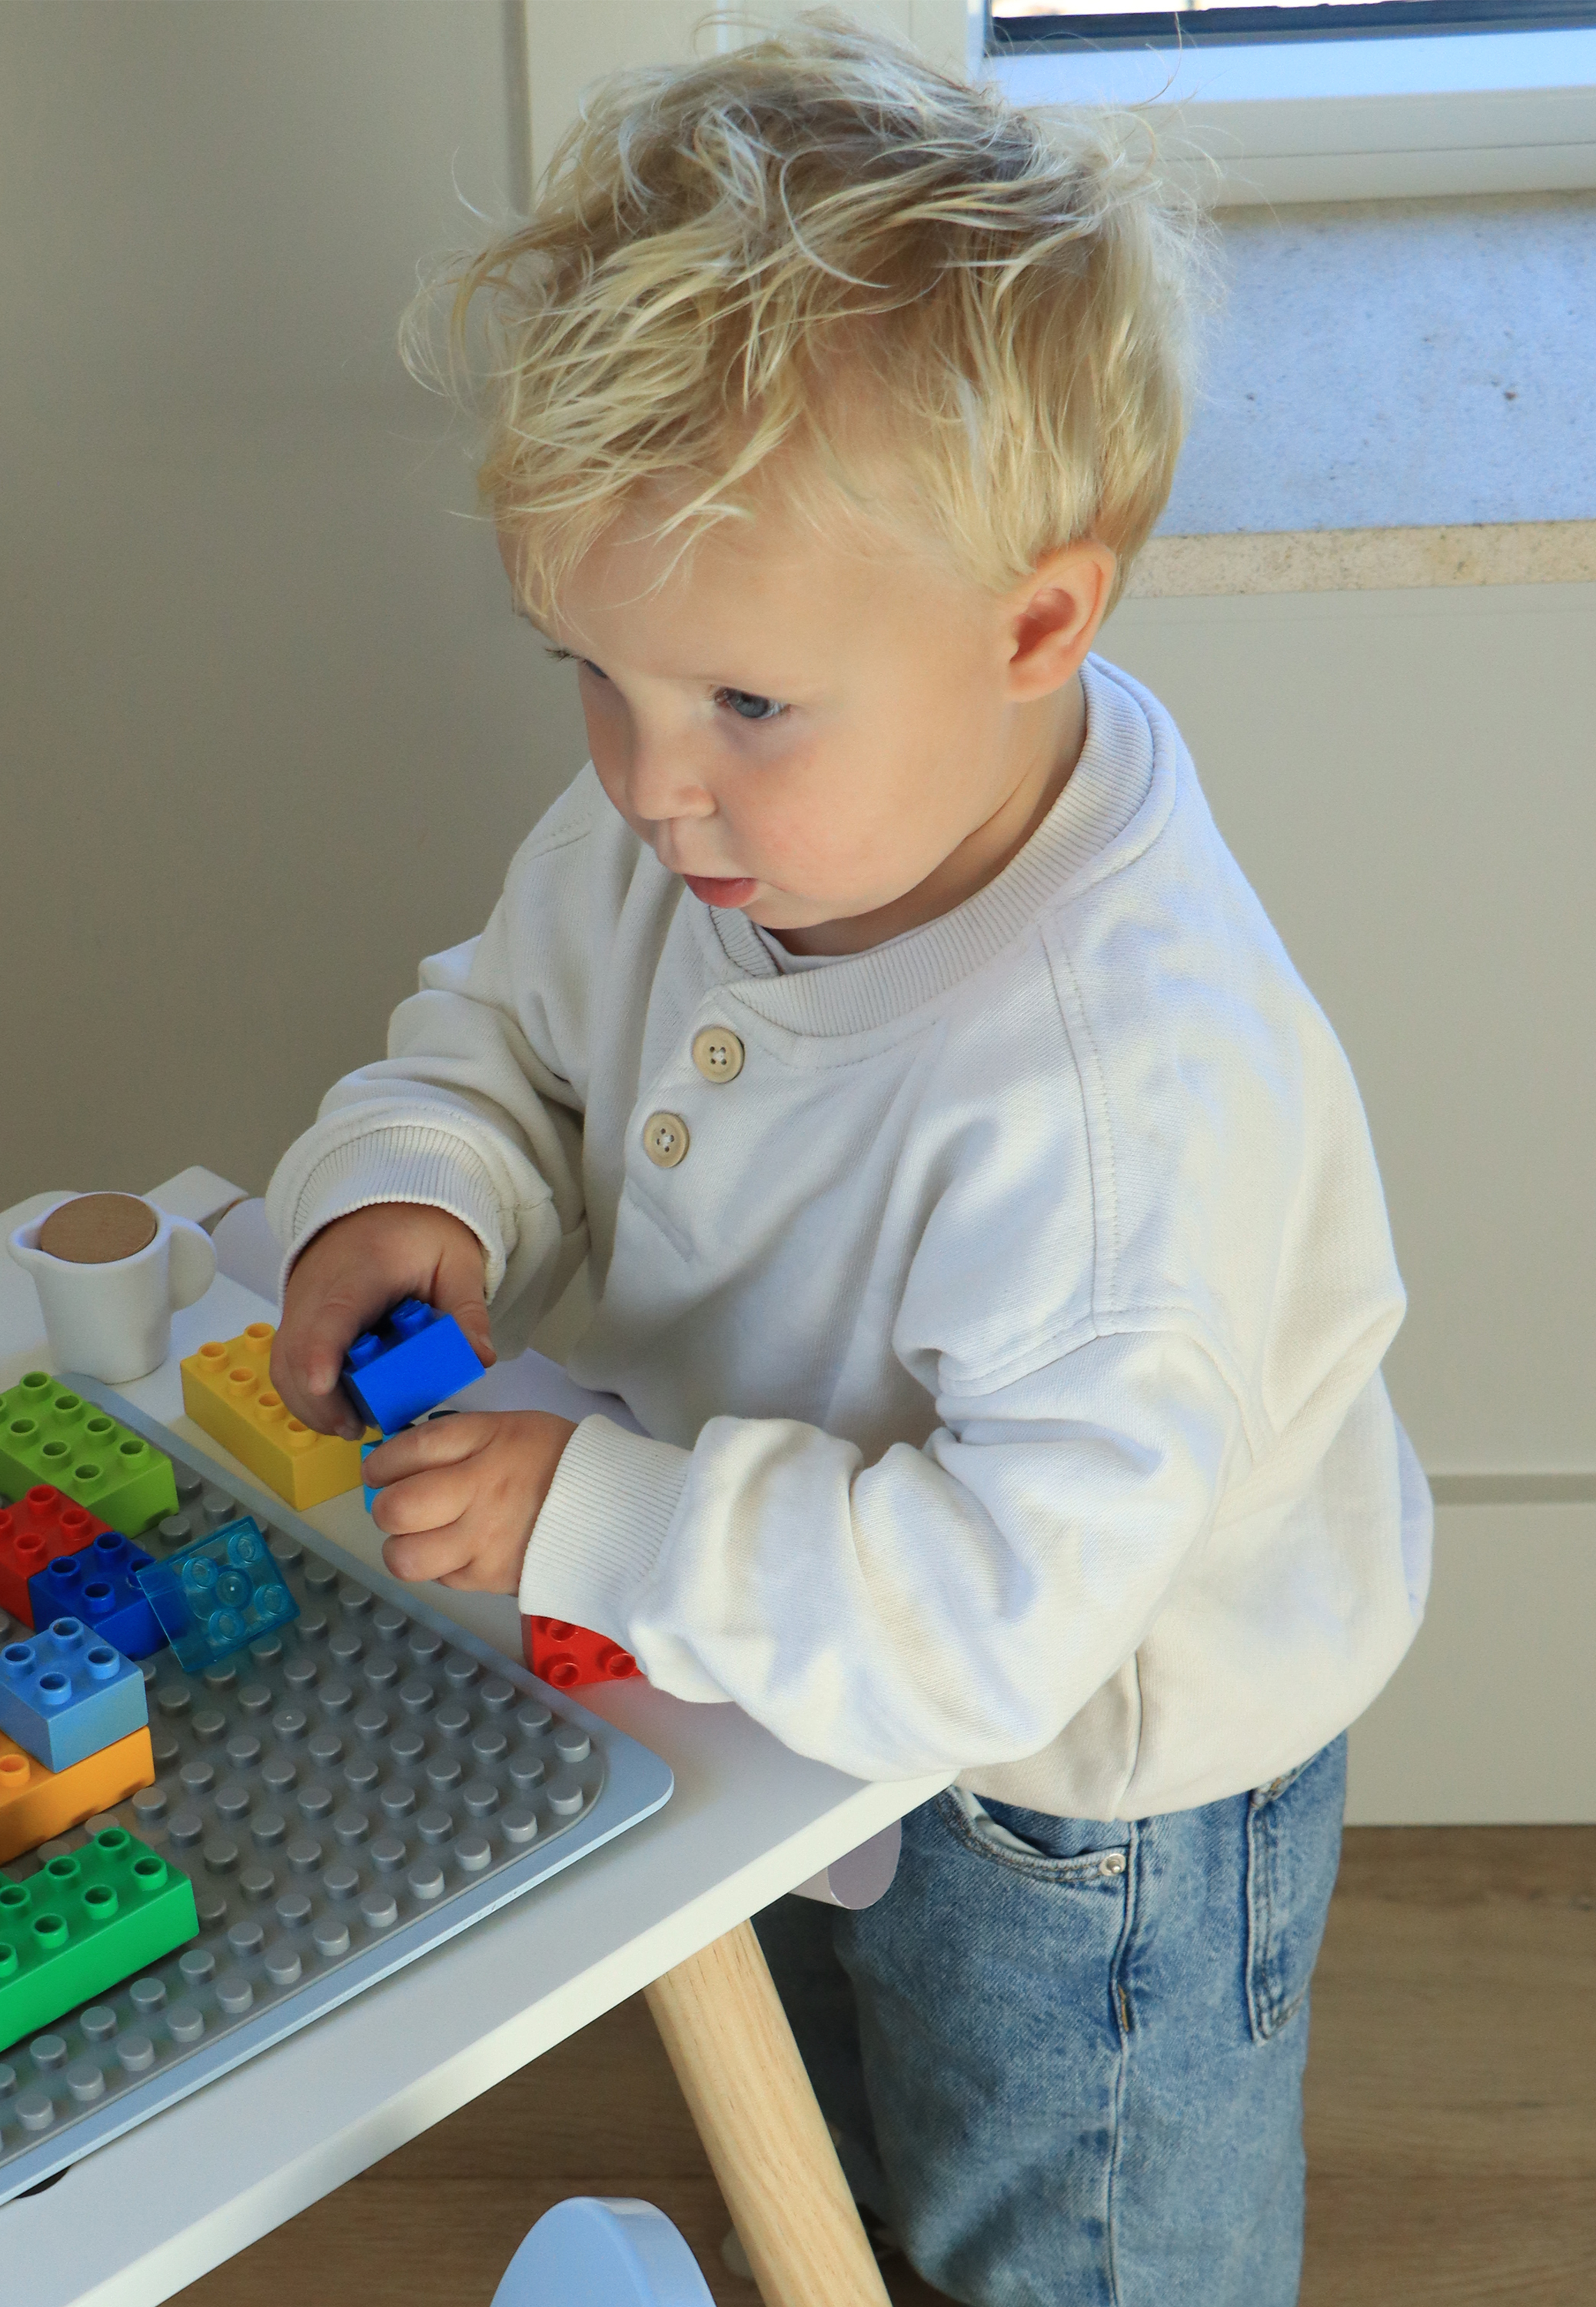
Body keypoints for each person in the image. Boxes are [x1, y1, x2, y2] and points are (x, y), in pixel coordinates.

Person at [263, 22, 1428, 2302]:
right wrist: (414, 1185)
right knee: (833, 2097)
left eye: (739, 709)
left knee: (1068, 2208)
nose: (643, 784)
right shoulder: (712, 839)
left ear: (1031, 627)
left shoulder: (1112, 1098)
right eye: (592, 677)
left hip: (1078, 1795)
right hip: (774, 1633)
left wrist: (594, 1518)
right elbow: (503, 1038)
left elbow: (1006, 1615)